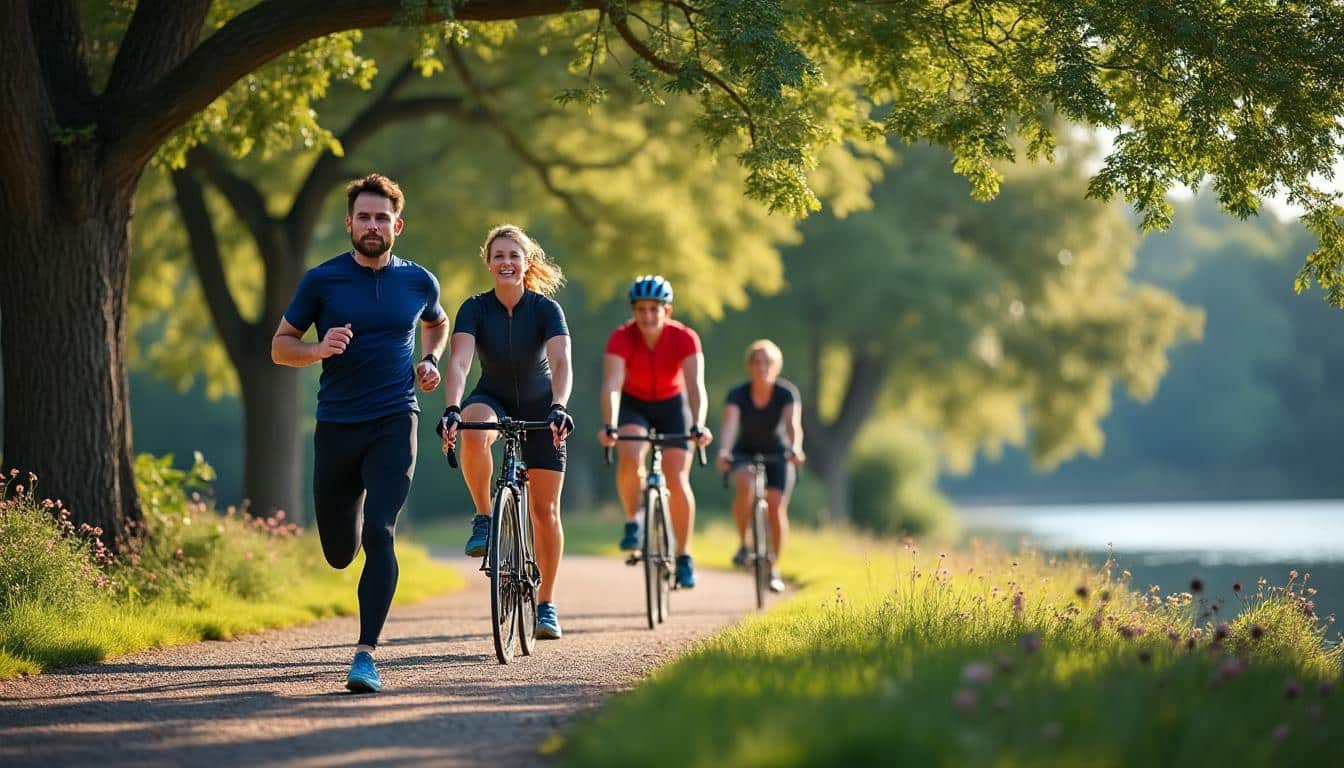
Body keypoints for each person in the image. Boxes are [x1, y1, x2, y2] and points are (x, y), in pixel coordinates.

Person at [272, 173, 447, 694]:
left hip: (396, 419)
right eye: (364, 217)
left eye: (382, 217)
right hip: (337, 427)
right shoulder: (322, 281)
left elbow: (436, 322)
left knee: (380, 532)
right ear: (349, 223)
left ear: (398, 224)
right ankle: (343, 558)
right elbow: (280, 346)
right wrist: (318, 350)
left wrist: (431, 359)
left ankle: (366, 654)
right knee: (339, 552)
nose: (373, 226)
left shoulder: (419, 281)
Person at [438, 224, 575, 639]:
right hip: (491, 395)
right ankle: (484, 518)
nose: (506, 263)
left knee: (544, 512)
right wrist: (451, 408)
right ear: (488, 262)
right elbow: (460, 361)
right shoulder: (475, 309)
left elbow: (562, 362)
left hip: (541, 405)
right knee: (474, 431)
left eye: (514, 256)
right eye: (498, 256)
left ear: (526, 262)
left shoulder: (545, 310)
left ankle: (547, 603)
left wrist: (558, 407)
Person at [597, 275, 713, 588]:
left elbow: (695, 387)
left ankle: (684, 555)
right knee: (630, 454)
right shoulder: (621, 337)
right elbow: (612, 386)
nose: (647, 316)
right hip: (635, 405)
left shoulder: (685, 338)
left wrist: (698, 423)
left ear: (667, 311)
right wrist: (610, 424)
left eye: (654, 309)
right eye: (641, 309)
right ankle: (634, 521)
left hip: (672, 406)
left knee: (676, 478)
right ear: (633, 311)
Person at [715, 339, 805, 593]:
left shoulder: (786, 393)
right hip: (745, 451)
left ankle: (773, 566)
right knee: (745, 484)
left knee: (776, 505)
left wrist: (795, 448)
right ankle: (745, 544)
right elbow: (730, 425)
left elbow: (792, 425)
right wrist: (725, 451)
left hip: (778, 453)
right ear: (749, 365)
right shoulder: (738, 394)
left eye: (768, 361)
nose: (762, 366)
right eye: (757, 361)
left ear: (776, 366)